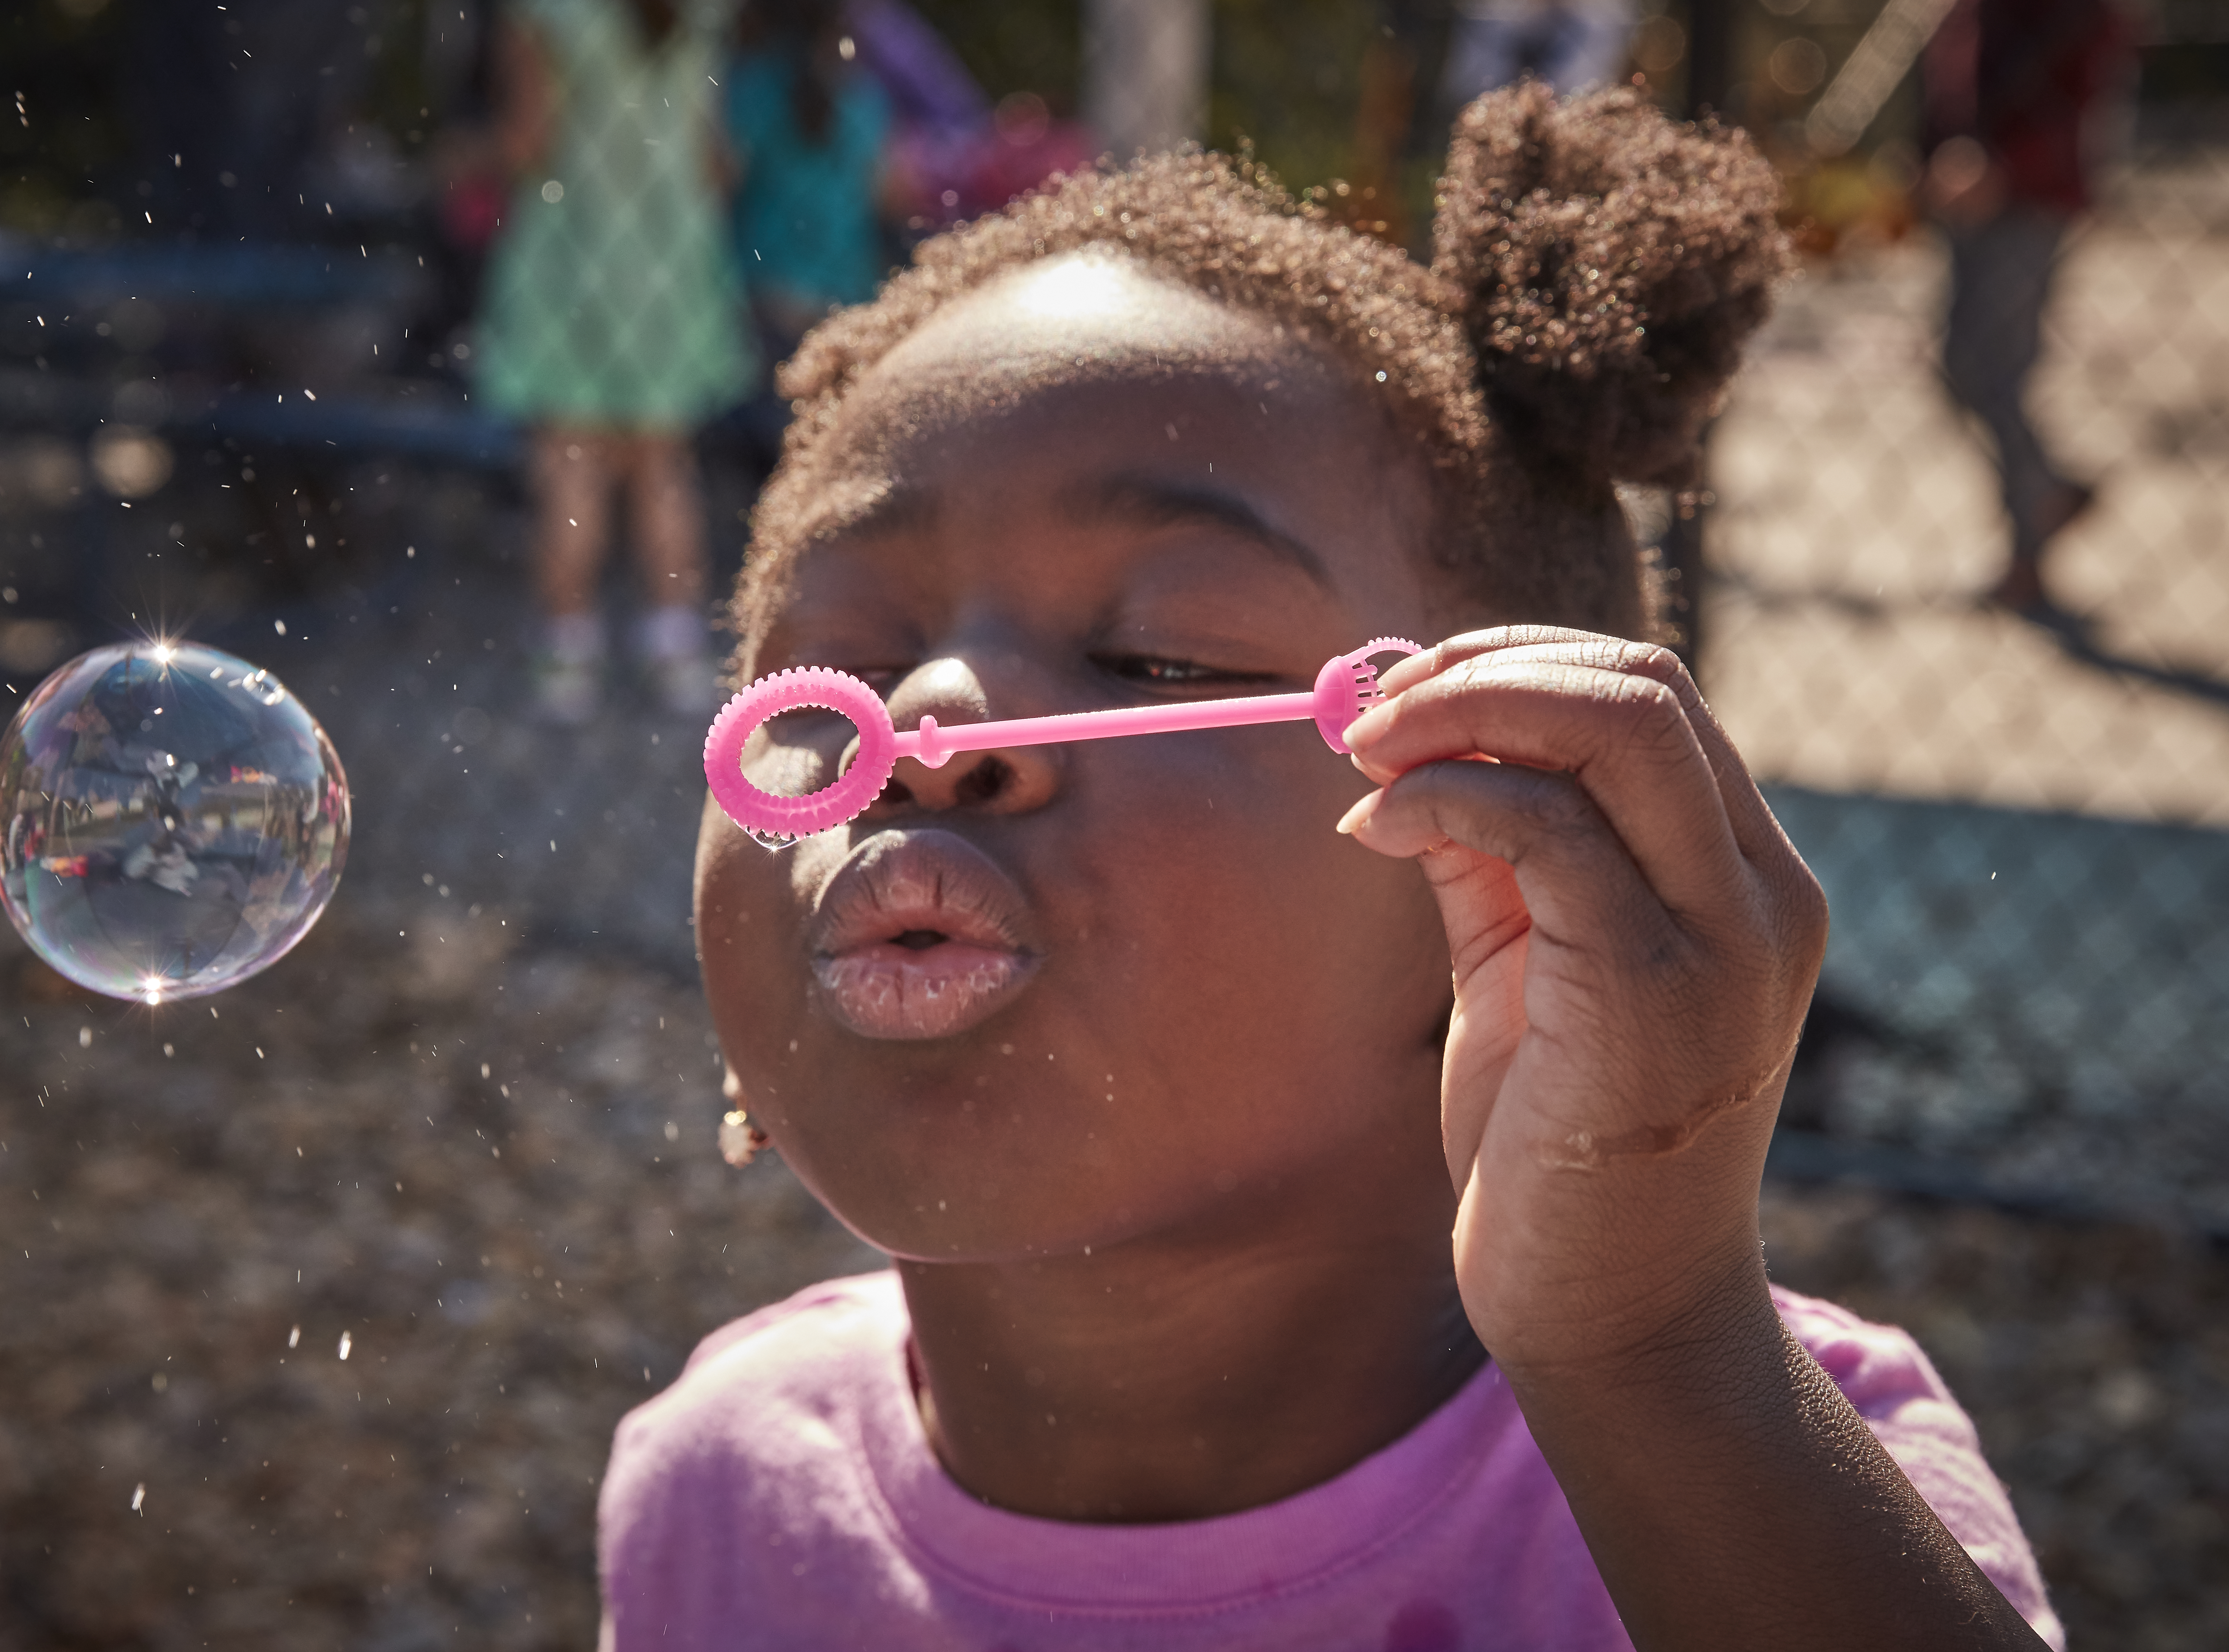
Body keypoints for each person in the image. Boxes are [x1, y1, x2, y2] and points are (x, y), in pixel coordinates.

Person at [603, 88, 2064, 1649]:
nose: (928, 723)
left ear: (1511, 869)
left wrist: (1639, 1343)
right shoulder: (711, 1490)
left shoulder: (1754, 1481)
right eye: (831, 664)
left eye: (1149, 652)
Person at [472, 0, 755, 722]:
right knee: (662, 464)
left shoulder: (545, 13)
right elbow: (711, 154)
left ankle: (568, 657)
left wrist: (459, 162)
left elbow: (527, 139)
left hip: (572, 251)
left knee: (571, 463)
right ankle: (675, 650)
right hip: (669, 256)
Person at [1922, 0, 2133, 621]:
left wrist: (2005, 166)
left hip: (2030, 195)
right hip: (1968, 188)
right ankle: (2046, 494)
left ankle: (2028, 554)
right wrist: (1935, 154)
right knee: (1960, 365)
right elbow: (1955, 71)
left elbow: (2079, 92)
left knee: (1998, 369)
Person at [722, 0, 896, 460]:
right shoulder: (862, 97)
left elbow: (722, 178)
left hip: (764, 300)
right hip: (845, 300)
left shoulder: (751, 89)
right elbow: (886, 191)